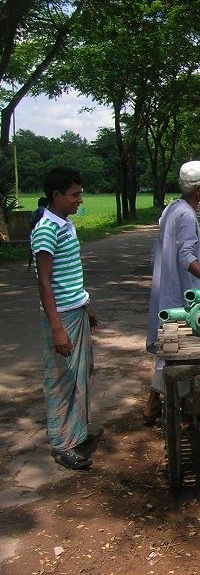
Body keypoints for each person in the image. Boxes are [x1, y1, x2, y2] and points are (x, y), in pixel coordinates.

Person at [31, 167, 99, 470]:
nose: (79, 200)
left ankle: (76, 434)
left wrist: (87, 306)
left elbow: (69, 276)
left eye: (80, 193)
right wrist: (57, 328)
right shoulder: (47, 228)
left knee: (78, 377)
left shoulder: (65, 224)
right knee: (61, 380)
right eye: (74, 195)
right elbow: (43, 282)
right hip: (62, 316)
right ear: (56, 195)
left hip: (76, 309)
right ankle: (62, 445)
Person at [144, 161, 200, 424]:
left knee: (169, 353)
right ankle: (190, 412)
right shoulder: (185, 214)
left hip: (169, 288)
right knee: (187, 352)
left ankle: (157, 406)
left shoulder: (172, 208)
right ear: (198, 188)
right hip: (184, 294)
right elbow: (187, 257)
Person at [28, 197, 49, 271]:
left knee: (34, 251)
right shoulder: (47, 212)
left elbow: (30, 222)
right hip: (45, 233)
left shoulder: (35, 212)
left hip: (33, 233)